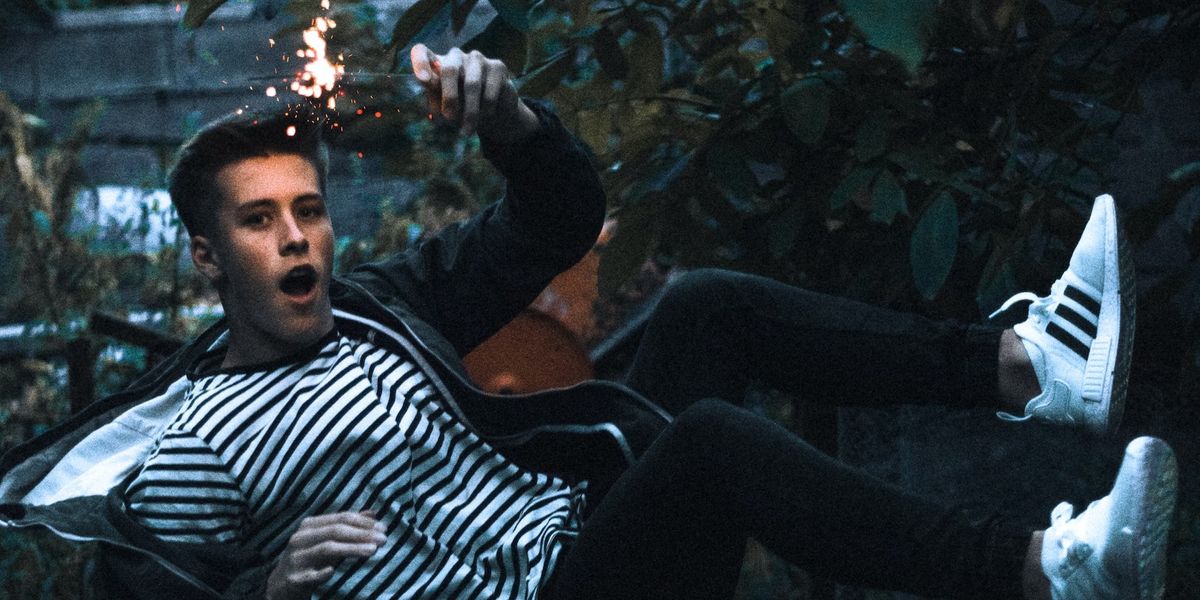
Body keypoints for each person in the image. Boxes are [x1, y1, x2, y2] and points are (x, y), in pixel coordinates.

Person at [0, 44, 1178, 600]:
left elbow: (562, 213)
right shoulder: (191, 442)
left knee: (703, 308)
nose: (299, 237)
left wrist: (512, 121)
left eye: (309, 209)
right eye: (260, 223)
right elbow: (135, 587)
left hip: (588, 535)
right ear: (206, 256)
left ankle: (1035, 368)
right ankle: (1047, 573)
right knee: (710, 441)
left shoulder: (381, 309)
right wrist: (255, 599)